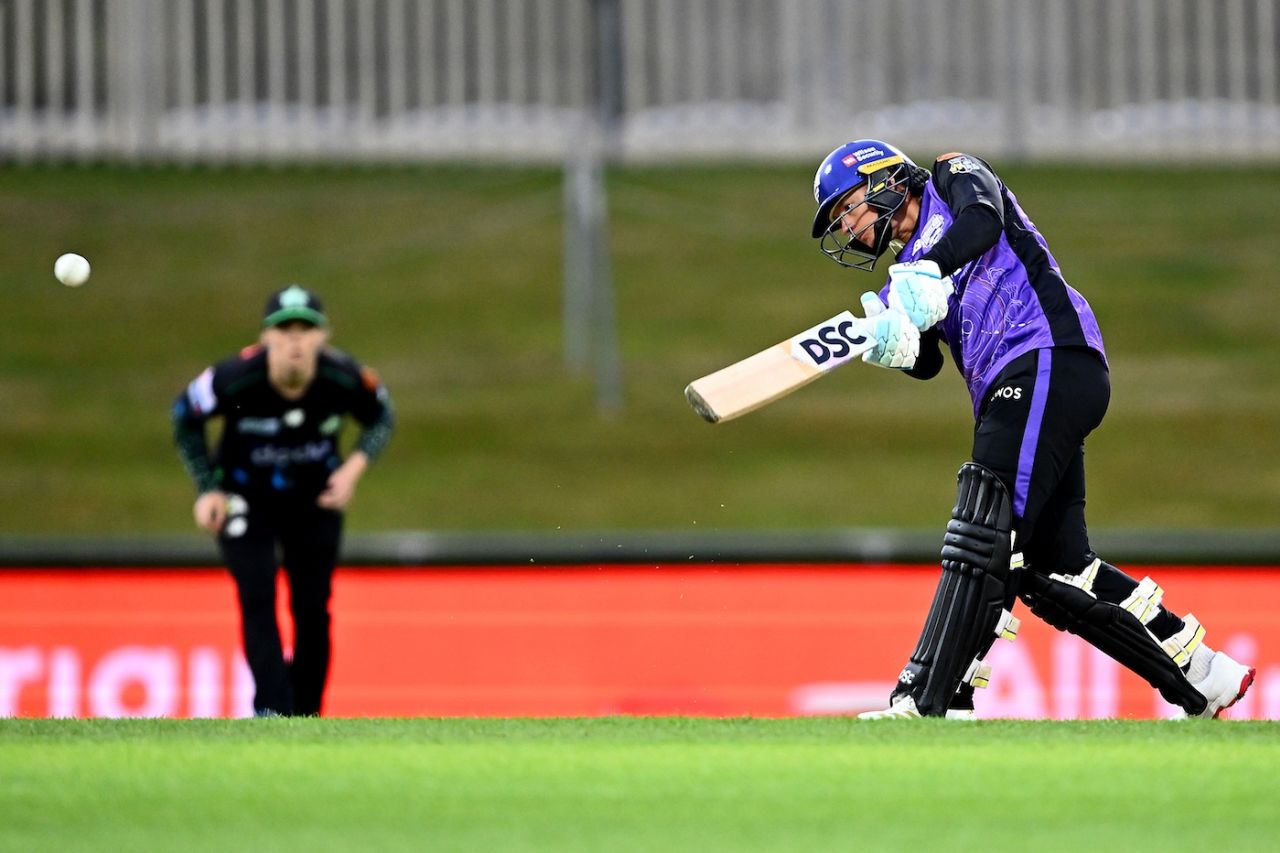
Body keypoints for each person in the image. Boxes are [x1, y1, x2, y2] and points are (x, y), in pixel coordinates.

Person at [810, 139, 1254, 719]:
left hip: (1046, 353)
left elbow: (984, 219)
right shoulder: (904, 280)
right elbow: (929, 361)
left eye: (847, 209)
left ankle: (930, 698)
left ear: (883, 180)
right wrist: (892, 343)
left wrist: (930, 269)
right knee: (1053, 569)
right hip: (1024, 384)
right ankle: (1202, 674)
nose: (848, 228)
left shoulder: (950, 175)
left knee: (984, 525)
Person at [172, 285, 394, 716]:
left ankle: (306, 715)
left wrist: (351, 471)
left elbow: (382, 416)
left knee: (312, 607)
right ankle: (273, 710)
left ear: (322, 337)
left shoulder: (343, 376)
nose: (295, 340)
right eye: (285, 329)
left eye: (305, 330)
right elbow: (184, 416)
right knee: (257, 595)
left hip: (314, 499)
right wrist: (207, 488)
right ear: (266, 337)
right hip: (244, 498)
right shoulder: (234, 377)